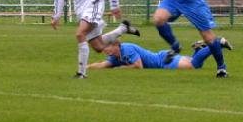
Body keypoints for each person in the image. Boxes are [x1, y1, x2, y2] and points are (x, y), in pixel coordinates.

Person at [88, 39, 230, 70]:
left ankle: (216, 42)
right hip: (163, 59)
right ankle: (199, 49)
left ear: (116, 45)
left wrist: (119, 69)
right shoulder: (115, 56)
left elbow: (139, 66)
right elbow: (103, 64)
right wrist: (86, 67)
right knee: (194, 64)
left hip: (163, 61)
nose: (105, 50)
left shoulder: (127, 49)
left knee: (194, 66)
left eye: (107, 47)